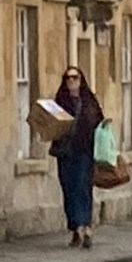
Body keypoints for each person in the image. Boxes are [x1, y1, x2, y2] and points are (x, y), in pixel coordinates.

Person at [49, 66, 107, 249]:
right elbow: (49, 125)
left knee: (83, 187)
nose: (72, 81)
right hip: (65, 153)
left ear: (81, 80)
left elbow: (99, 122)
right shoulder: (60, 102)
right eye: (68, 78)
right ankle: (75, 228)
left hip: (84, 152)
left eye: (75, 78)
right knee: (69, 189)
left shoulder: (90, 101)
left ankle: (86, 226)